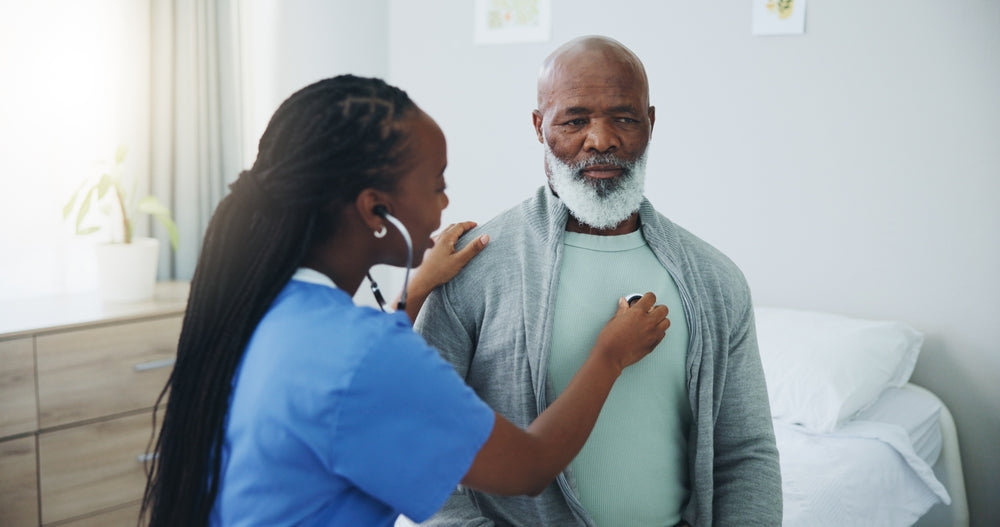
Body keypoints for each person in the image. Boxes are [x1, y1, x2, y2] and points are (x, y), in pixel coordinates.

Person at [138, 74, 672, 527]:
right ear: (376, 212)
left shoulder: (261, 310)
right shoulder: (363, 358)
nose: (445, 202)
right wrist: (609, 356)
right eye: (437, 184)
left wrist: (414, 290)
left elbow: (350, 389)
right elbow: (528, 467)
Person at [415, 36, 783, 526]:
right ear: (538, 126)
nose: (602, 139)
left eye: (624, 118)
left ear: (651, 124)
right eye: (575, 120)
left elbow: (745, 452)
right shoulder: (474, 268)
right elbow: (420, 440)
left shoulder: (715, 279)